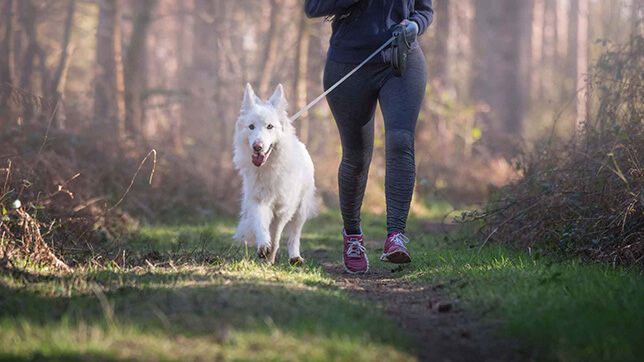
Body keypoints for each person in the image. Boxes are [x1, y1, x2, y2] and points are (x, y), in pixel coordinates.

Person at [304, 0, 434, 274]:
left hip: (401, 60)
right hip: (348, 64)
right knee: (356, 157)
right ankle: (353, 237)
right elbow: (312, 7)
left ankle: (396, 237)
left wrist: (415, 25)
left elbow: (425, 9)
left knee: (400, 141)